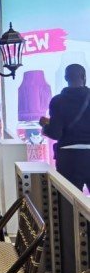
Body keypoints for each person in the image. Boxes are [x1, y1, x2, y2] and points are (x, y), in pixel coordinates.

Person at [40, 63, 90, 193]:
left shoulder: (58, 101)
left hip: (68, 158)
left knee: (70, 203)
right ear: (84, 77)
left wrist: (45, 126)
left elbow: (55, 133)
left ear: (66, 78)